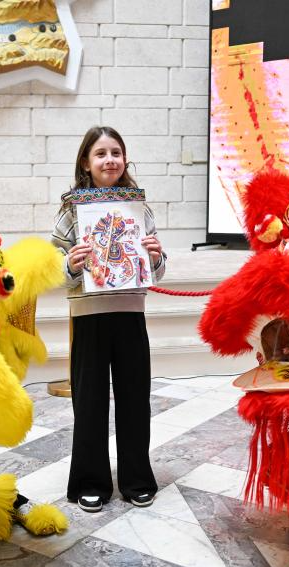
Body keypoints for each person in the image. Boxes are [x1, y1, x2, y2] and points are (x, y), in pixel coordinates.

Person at [51, 126, 166, 513]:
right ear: (86, 162)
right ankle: (90, 481)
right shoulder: (71, 211)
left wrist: (155, 257)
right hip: (89, 317)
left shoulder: (140, 209)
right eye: (100, 154)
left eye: (116, 152)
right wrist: (70, 264)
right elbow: (53, 268)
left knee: (135, 400)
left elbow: (157, 270)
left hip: (131, 314)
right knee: (90, 403)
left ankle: (137, 479)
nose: (110, 160)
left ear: (125, 159)